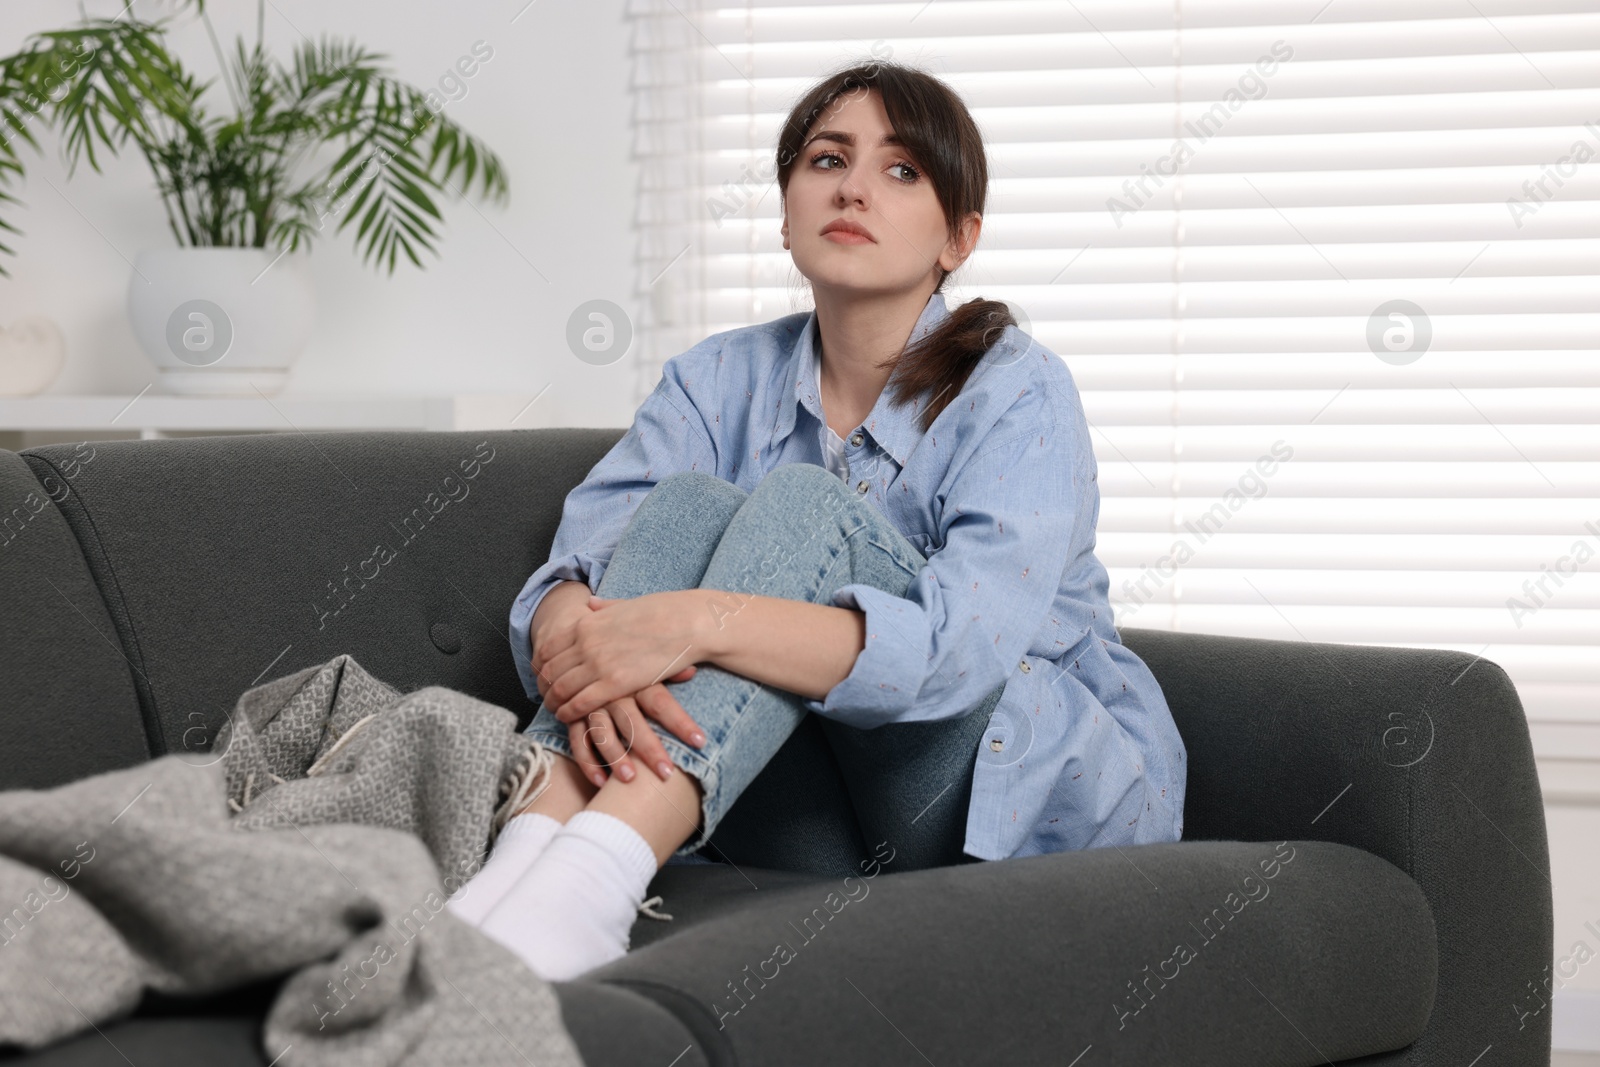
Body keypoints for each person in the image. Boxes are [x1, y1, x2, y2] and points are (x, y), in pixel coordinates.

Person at [445, 60, 1187, 982]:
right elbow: (586, 562)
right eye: (827, 159)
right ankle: (519, 875)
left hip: (1005, 795)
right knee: (688, 507)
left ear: (959, 236)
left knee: (802, 507)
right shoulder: (715, 379)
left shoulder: (1019, 389)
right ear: (787, 213)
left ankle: (590, 878)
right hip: (821, 814)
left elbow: (957, 654)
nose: (854, 187)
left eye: (903, 171)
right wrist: (566, 619)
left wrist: (691, 619)